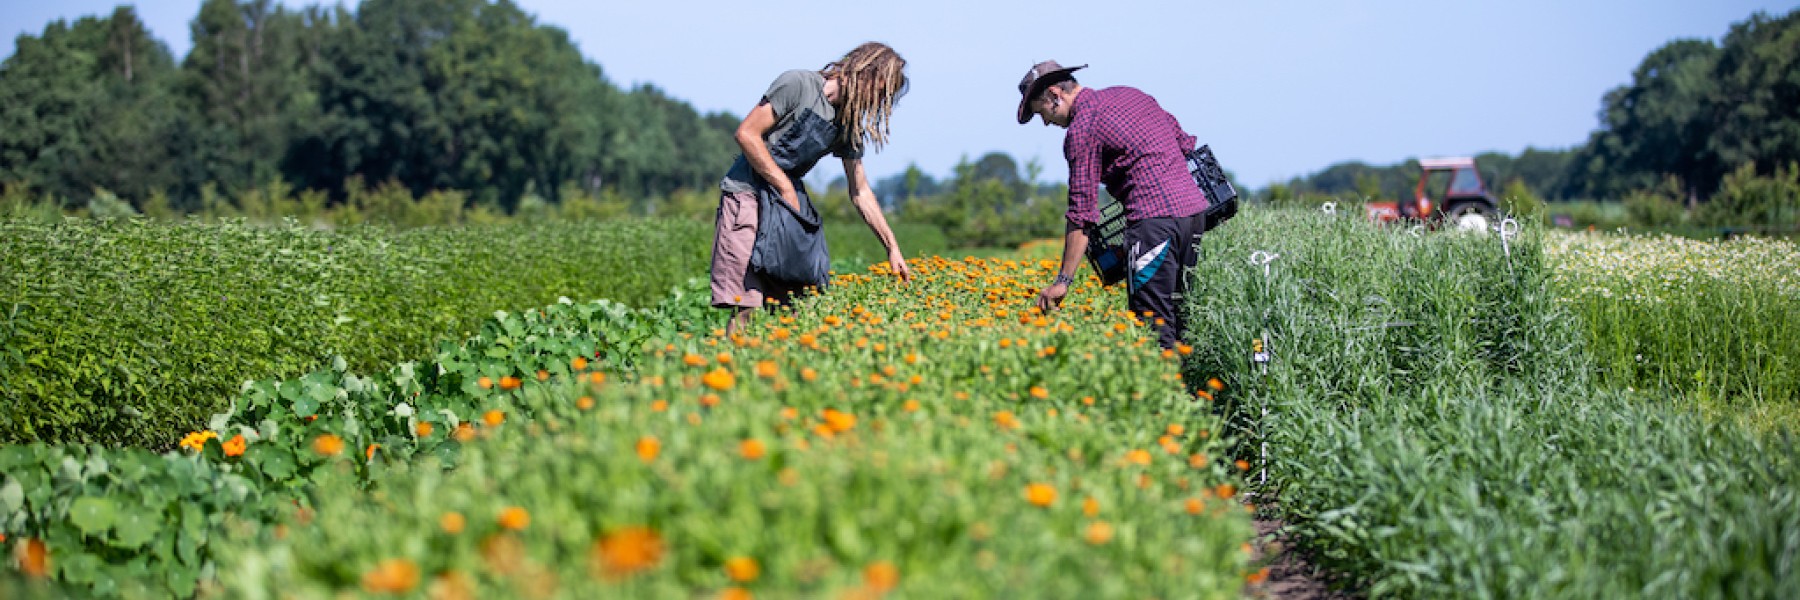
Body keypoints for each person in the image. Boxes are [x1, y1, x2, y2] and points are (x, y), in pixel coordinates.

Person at [712, 42, 914, 334]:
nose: (877, 103)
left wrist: (892, 247)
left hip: (787, 208)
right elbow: (747, 134)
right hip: (747, 195)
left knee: (797, 304)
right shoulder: (798, 84)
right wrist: (784, 187)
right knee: (746, 304)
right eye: (880, 93)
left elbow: (860, 191)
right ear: (865, 73)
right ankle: (728, 360)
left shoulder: (848, 122)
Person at [1018, 60, 1209, 349]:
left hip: (1153, 221)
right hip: (1193, 215)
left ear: (1055, 95)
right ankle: (1189, 377)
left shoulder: (1082, 129)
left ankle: (1163, 379)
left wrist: (1063, 281)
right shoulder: (1131, 95)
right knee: (1182, 317)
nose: (1045, 122)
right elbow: (1184, 144)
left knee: (1153, 328)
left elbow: (1082, 214)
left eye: (1041, 112)